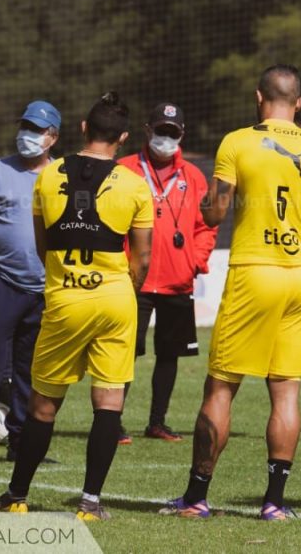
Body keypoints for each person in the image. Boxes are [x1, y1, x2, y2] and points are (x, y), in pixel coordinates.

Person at [161, 64, 301, 521]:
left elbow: (216, 212)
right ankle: (274, 504)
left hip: (254, 273)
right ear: (298, 103)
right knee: (286, 391)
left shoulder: (238, 141)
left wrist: (207, 202)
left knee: (221, 386)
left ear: (259, 98)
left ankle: (197, 497)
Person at [0, 92, 153, 521]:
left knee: (44, 405)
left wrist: (68, 280)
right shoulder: (135, 184)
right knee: (108, 403)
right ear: (123, 137)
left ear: (82, 128)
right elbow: (143, 258)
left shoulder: (48, 177)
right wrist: (123, 288)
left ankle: (18, 495)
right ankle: (90, 503)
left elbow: (43, 246)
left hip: (64, 300)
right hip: (115, 300)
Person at [0, 100, 61, 464]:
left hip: (46, 286)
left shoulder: (62, 176)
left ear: (53, 137)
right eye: (25, 127)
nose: (27, 136)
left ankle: (20, 438)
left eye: (36, 130)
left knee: (30, 369)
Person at [116, 103, 216, 443]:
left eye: (172, 132)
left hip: (177, 281)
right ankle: (113, 421)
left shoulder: (194, 176)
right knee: (124, 353)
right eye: (161, 130)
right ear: (147, 130)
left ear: (182, 134)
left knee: (169, 356)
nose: (166, 137)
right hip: (134, 279)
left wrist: (195, 260)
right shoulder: (124, 169)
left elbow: (206, 227)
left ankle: (157, 422)